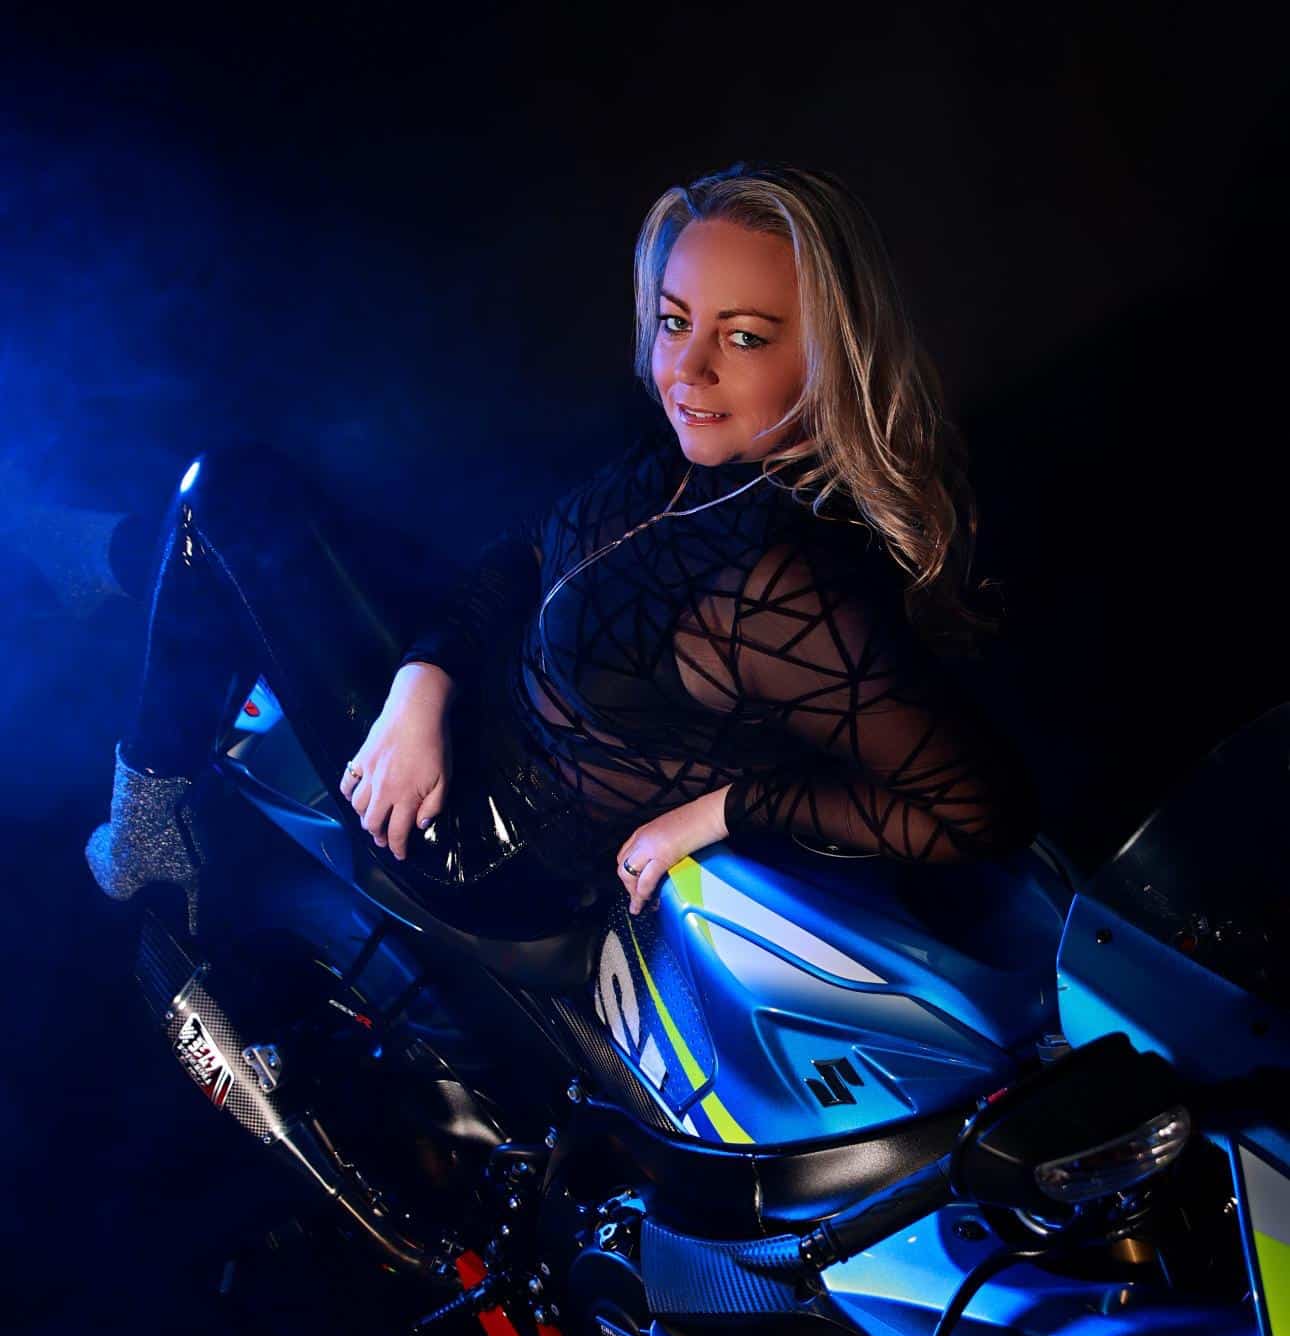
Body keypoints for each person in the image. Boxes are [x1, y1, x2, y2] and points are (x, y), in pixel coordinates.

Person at [85, 160, 1038, 942]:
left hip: (484, 840)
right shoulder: (697, 451)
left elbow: (974, 811)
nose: (687, 369)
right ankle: (130, 586)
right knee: (273, 498)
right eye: (675, 321)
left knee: (224, 496)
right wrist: (424, 680)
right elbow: (534, 552)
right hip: (478, 695)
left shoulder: (784, 584)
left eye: (743, 337)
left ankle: (143, 834)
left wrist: (721, 811)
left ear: (833, 349)